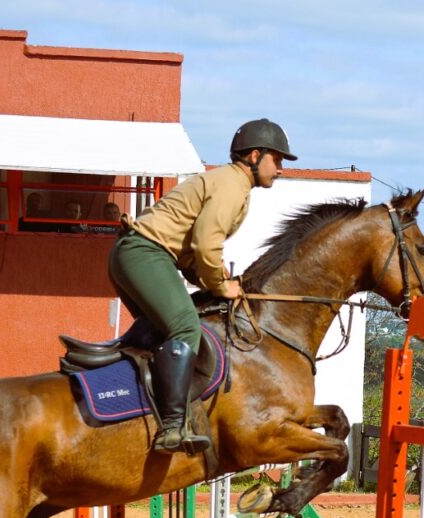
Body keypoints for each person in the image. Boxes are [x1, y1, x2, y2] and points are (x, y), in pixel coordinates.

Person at [108, 118, 295, 455]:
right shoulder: (232, 185)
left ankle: (138, 412)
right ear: (255, 155)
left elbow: (196, 251)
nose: (280, 169)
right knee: (184, 329)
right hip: (144, 254)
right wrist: (221, 285)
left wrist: (207, 277)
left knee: (163, 335)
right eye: (277, 160)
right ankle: (172, 429)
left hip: (136, 254)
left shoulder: (229, 183)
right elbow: (207, 245)